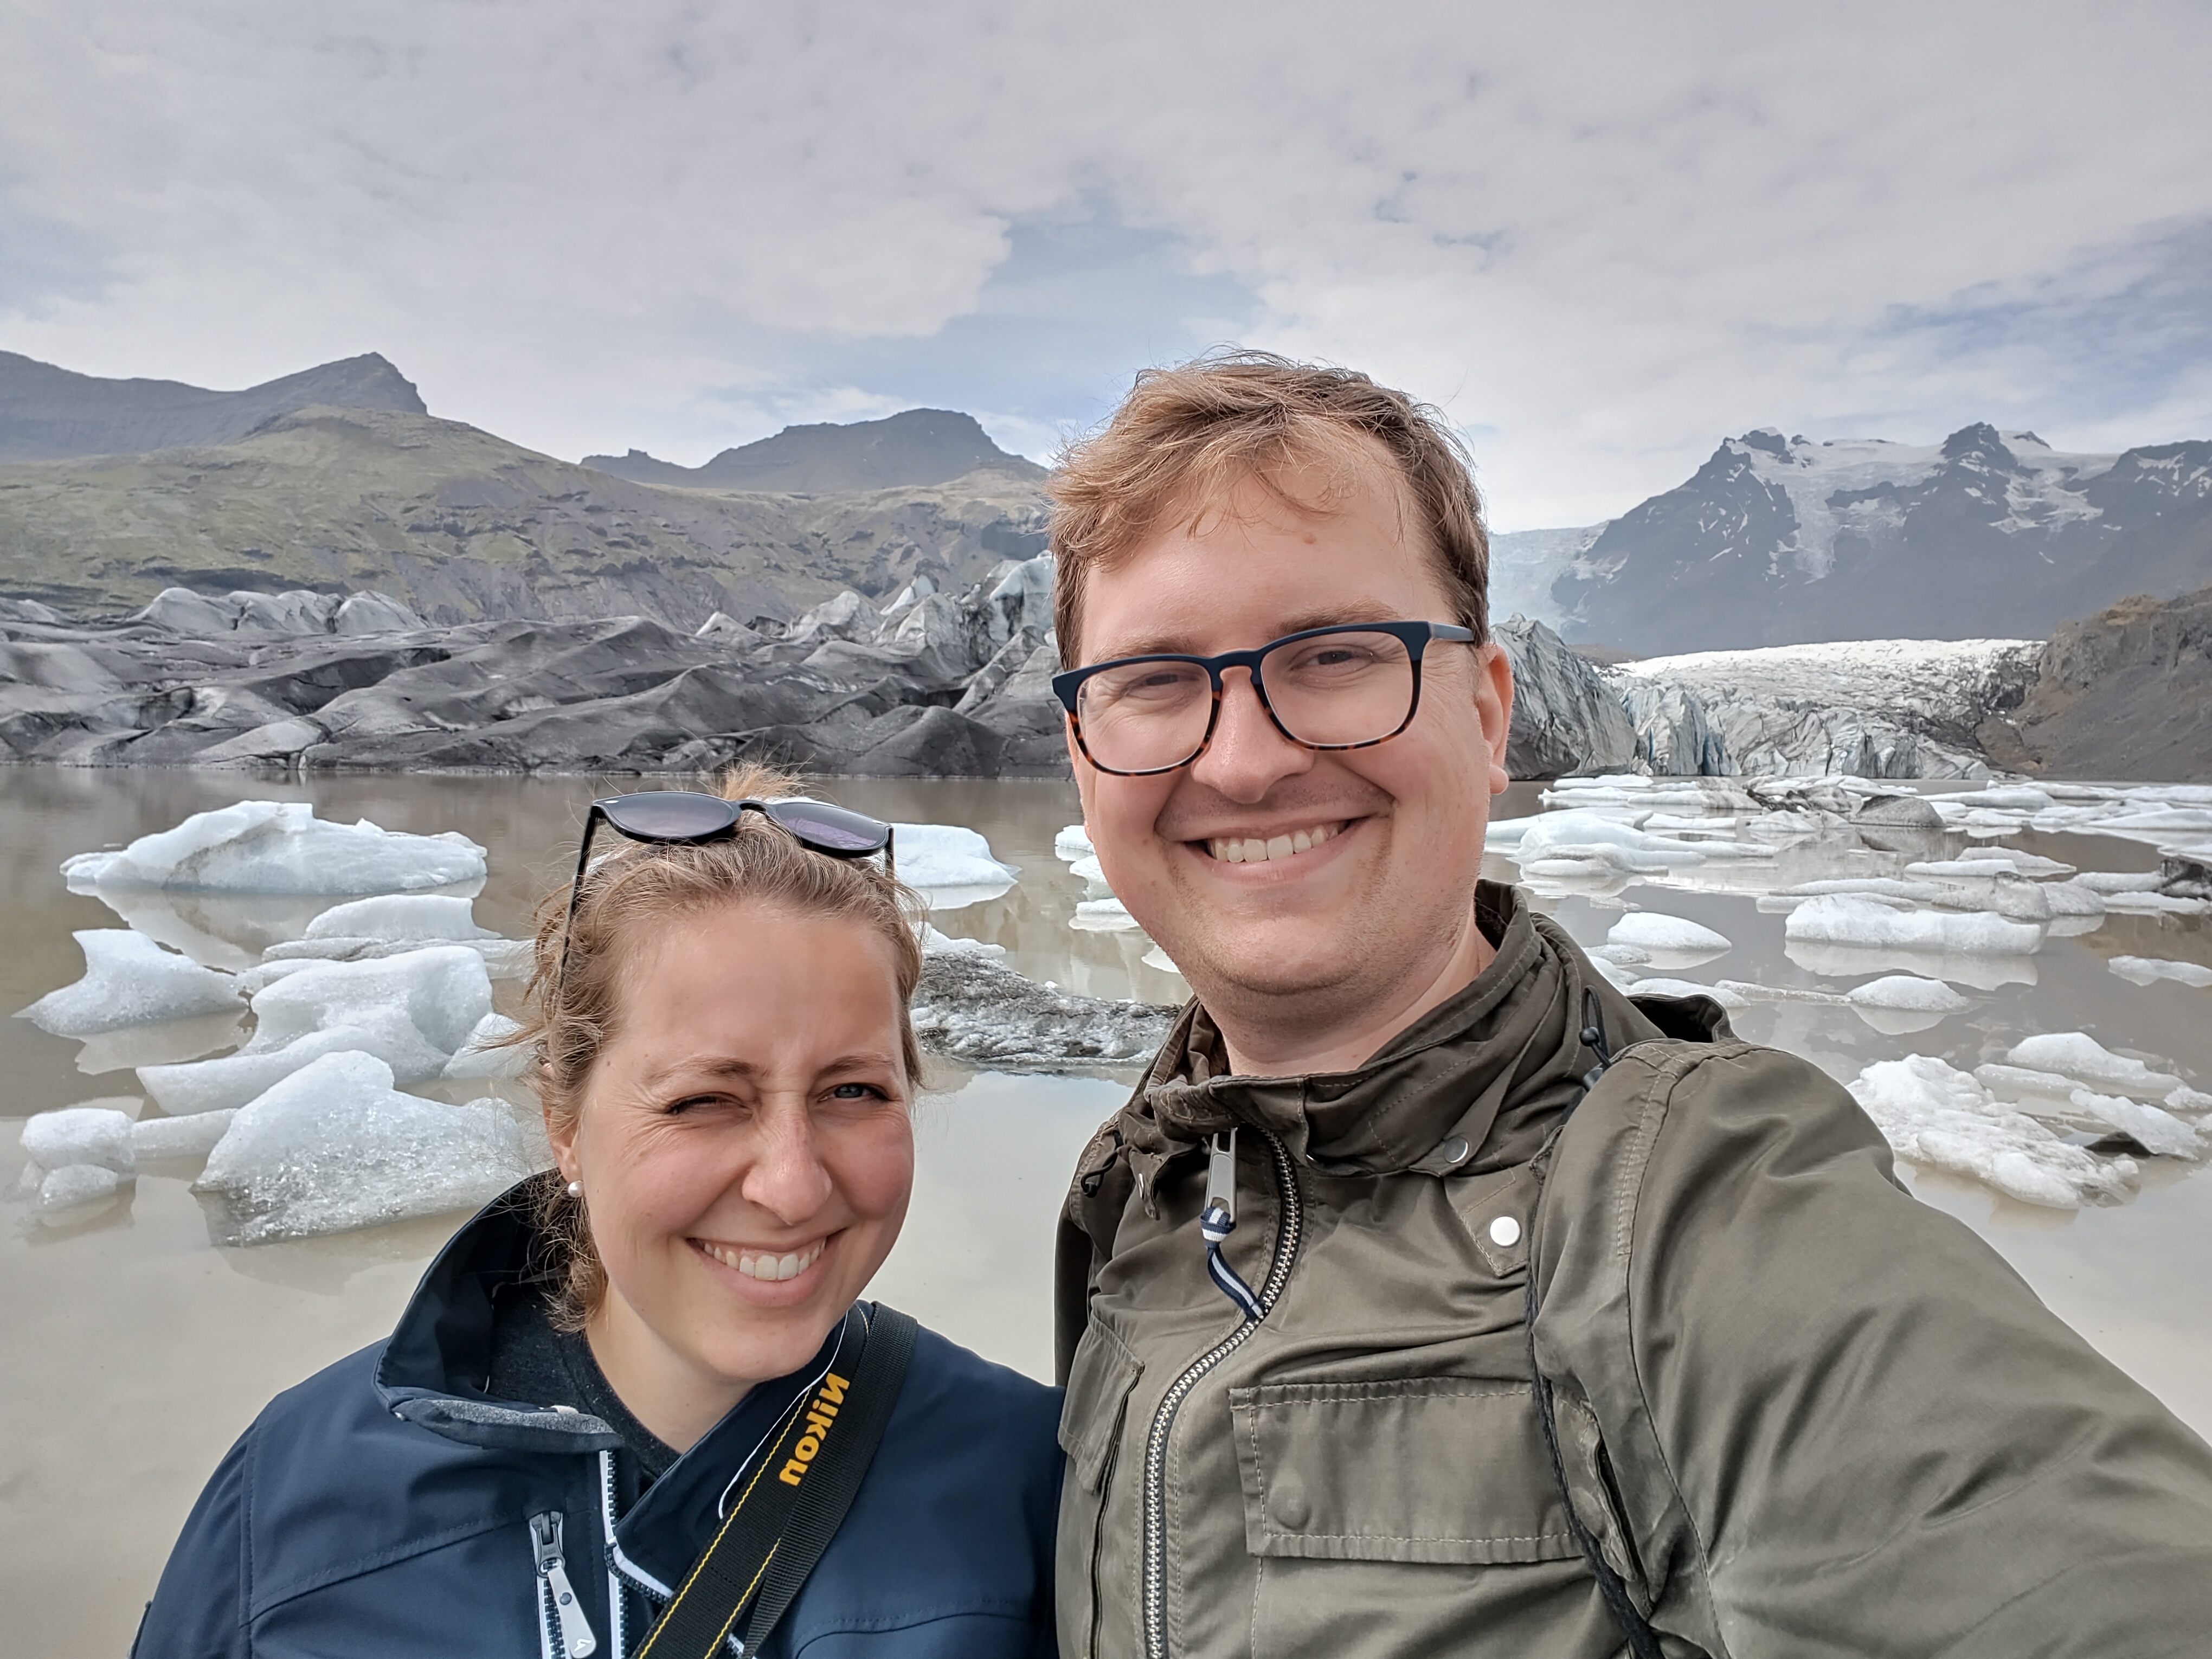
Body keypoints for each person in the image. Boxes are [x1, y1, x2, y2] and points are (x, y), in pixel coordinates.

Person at [1045, 352, 2212, 1659]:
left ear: (1490, 714)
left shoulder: (1698, 1205)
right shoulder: (1140, 1184)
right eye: (1153, 680)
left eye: (1336, 655)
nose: (1247, 760)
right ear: (1083, 754)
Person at [137, 765, 1061, 1659]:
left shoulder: (1027, 1477)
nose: (792, 1186)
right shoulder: (294, 1499)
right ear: (564, 1125)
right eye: (703, 1101)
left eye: (853, 1091)